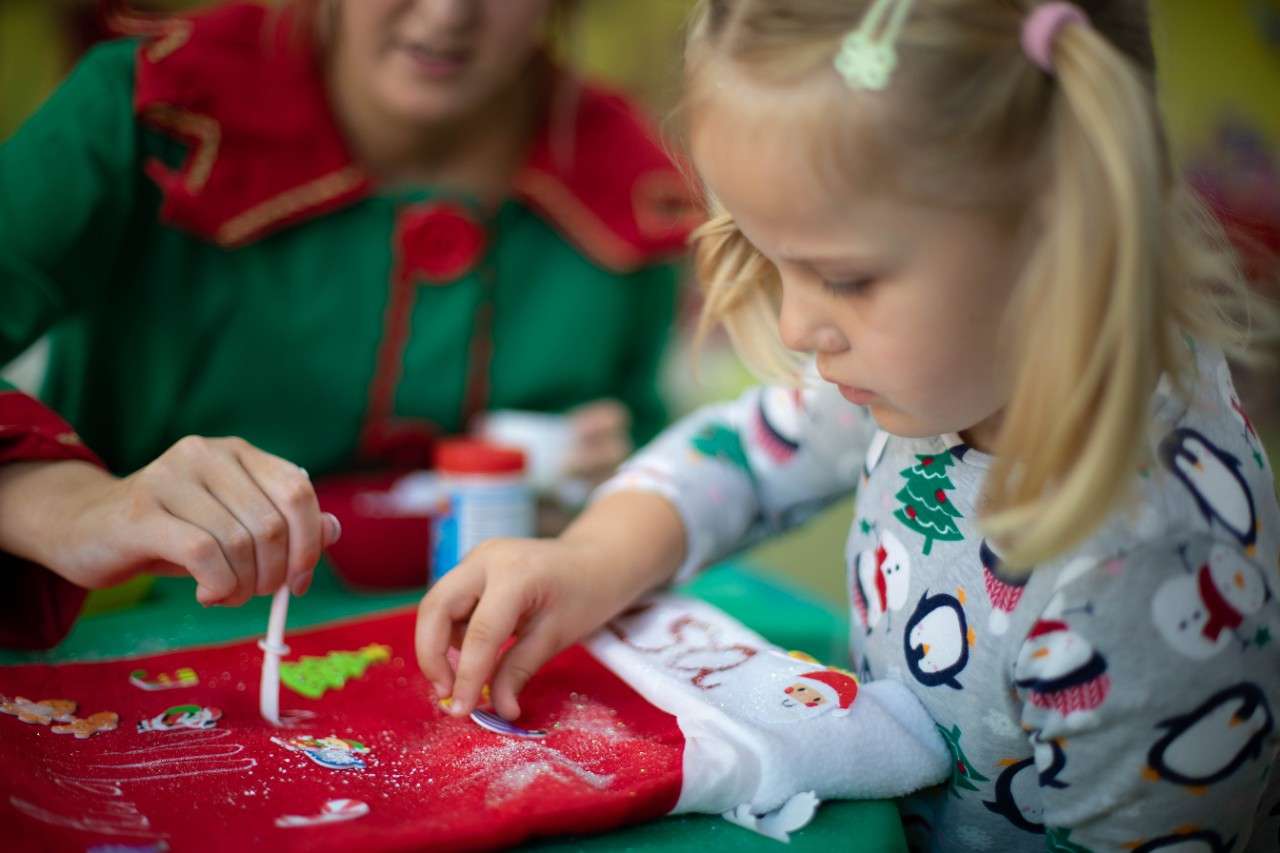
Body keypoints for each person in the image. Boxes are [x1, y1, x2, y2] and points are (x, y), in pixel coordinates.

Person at [415, 0, 1280, 847]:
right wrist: (586, 562)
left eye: (848, 277)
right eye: (767, 257)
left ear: (1065, 230)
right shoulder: (951, 364)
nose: (796, 329)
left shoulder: (1149, 570)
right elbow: (743, 457)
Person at [0, 0, 695, 649]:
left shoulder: (629, 182)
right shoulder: (153, 109)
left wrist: (604, 506)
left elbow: (661, 482)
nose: (447, 14)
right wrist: (70, 503)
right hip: (120, 651)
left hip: (484, 670)